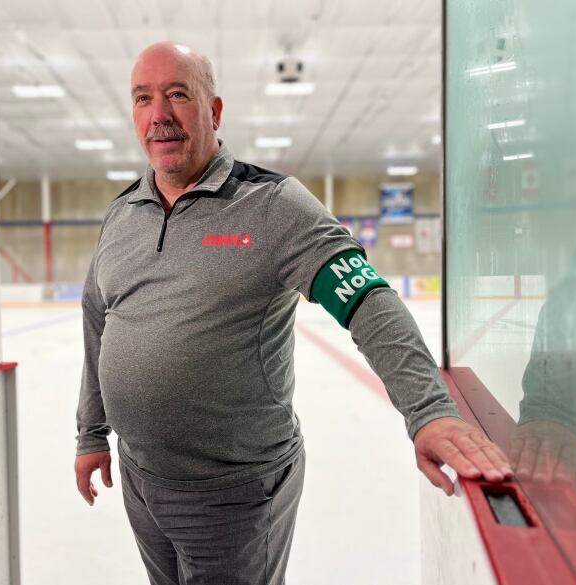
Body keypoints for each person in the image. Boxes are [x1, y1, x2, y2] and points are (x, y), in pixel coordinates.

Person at [74, 41, 513, 585]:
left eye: (177, 95)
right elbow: (98, 319)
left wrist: (429, 411)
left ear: (213, 111)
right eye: (143, 98)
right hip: (142, 480)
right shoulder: (123, 213)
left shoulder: (273, 206)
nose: (159, 114)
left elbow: (367, 300)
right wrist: (91, 434)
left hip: (233, 493)